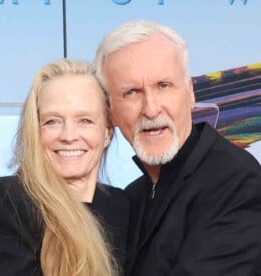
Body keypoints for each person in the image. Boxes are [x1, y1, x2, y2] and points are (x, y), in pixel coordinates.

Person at [95, 20, 261, 276]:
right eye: (132, 92)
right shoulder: (133, 196)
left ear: (190, 92)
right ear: (110, 110)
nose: (151, 109)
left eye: (163, 86)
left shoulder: (235, 180)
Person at [0, 59, 130, 276]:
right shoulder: (8, 200)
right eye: (52, 121)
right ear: (35, 131)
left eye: (85, 120)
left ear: (108, 133)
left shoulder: (122, 207)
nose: (68, 136)